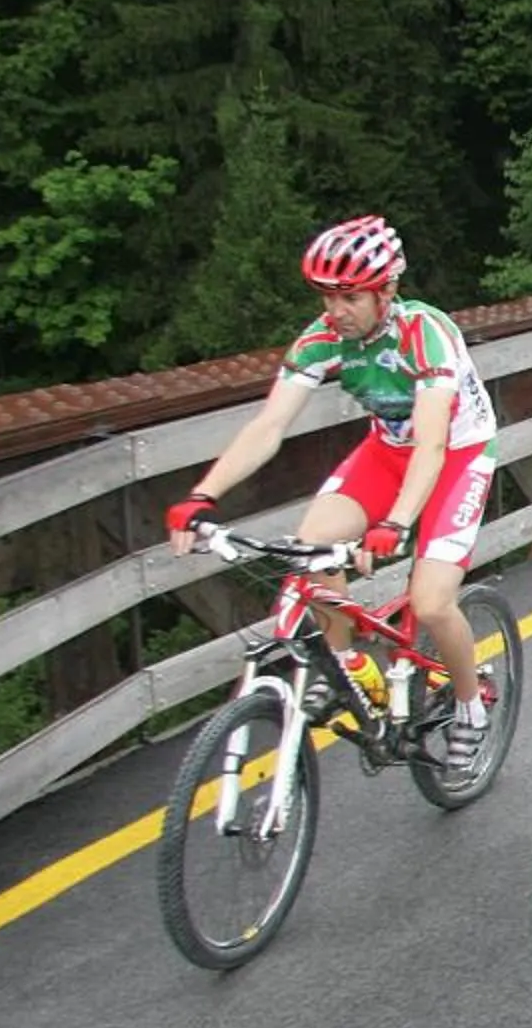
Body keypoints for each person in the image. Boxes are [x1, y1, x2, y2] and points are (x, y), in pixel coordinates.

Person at [165, 215, 499, 767]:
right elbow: (269, 426)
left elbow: (434, 444)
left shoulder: (426, 332)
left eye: (349, 297)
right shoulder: (323, 339)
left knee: (433, 600)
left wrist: (395, 522)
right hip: (387, 453)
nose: (334, 310)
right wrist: (203, 495)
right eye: (326, 296)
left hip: (455, 455)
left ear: (387, 290)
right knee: (311, 544)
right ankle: (349, 665)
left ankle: (471, 705)